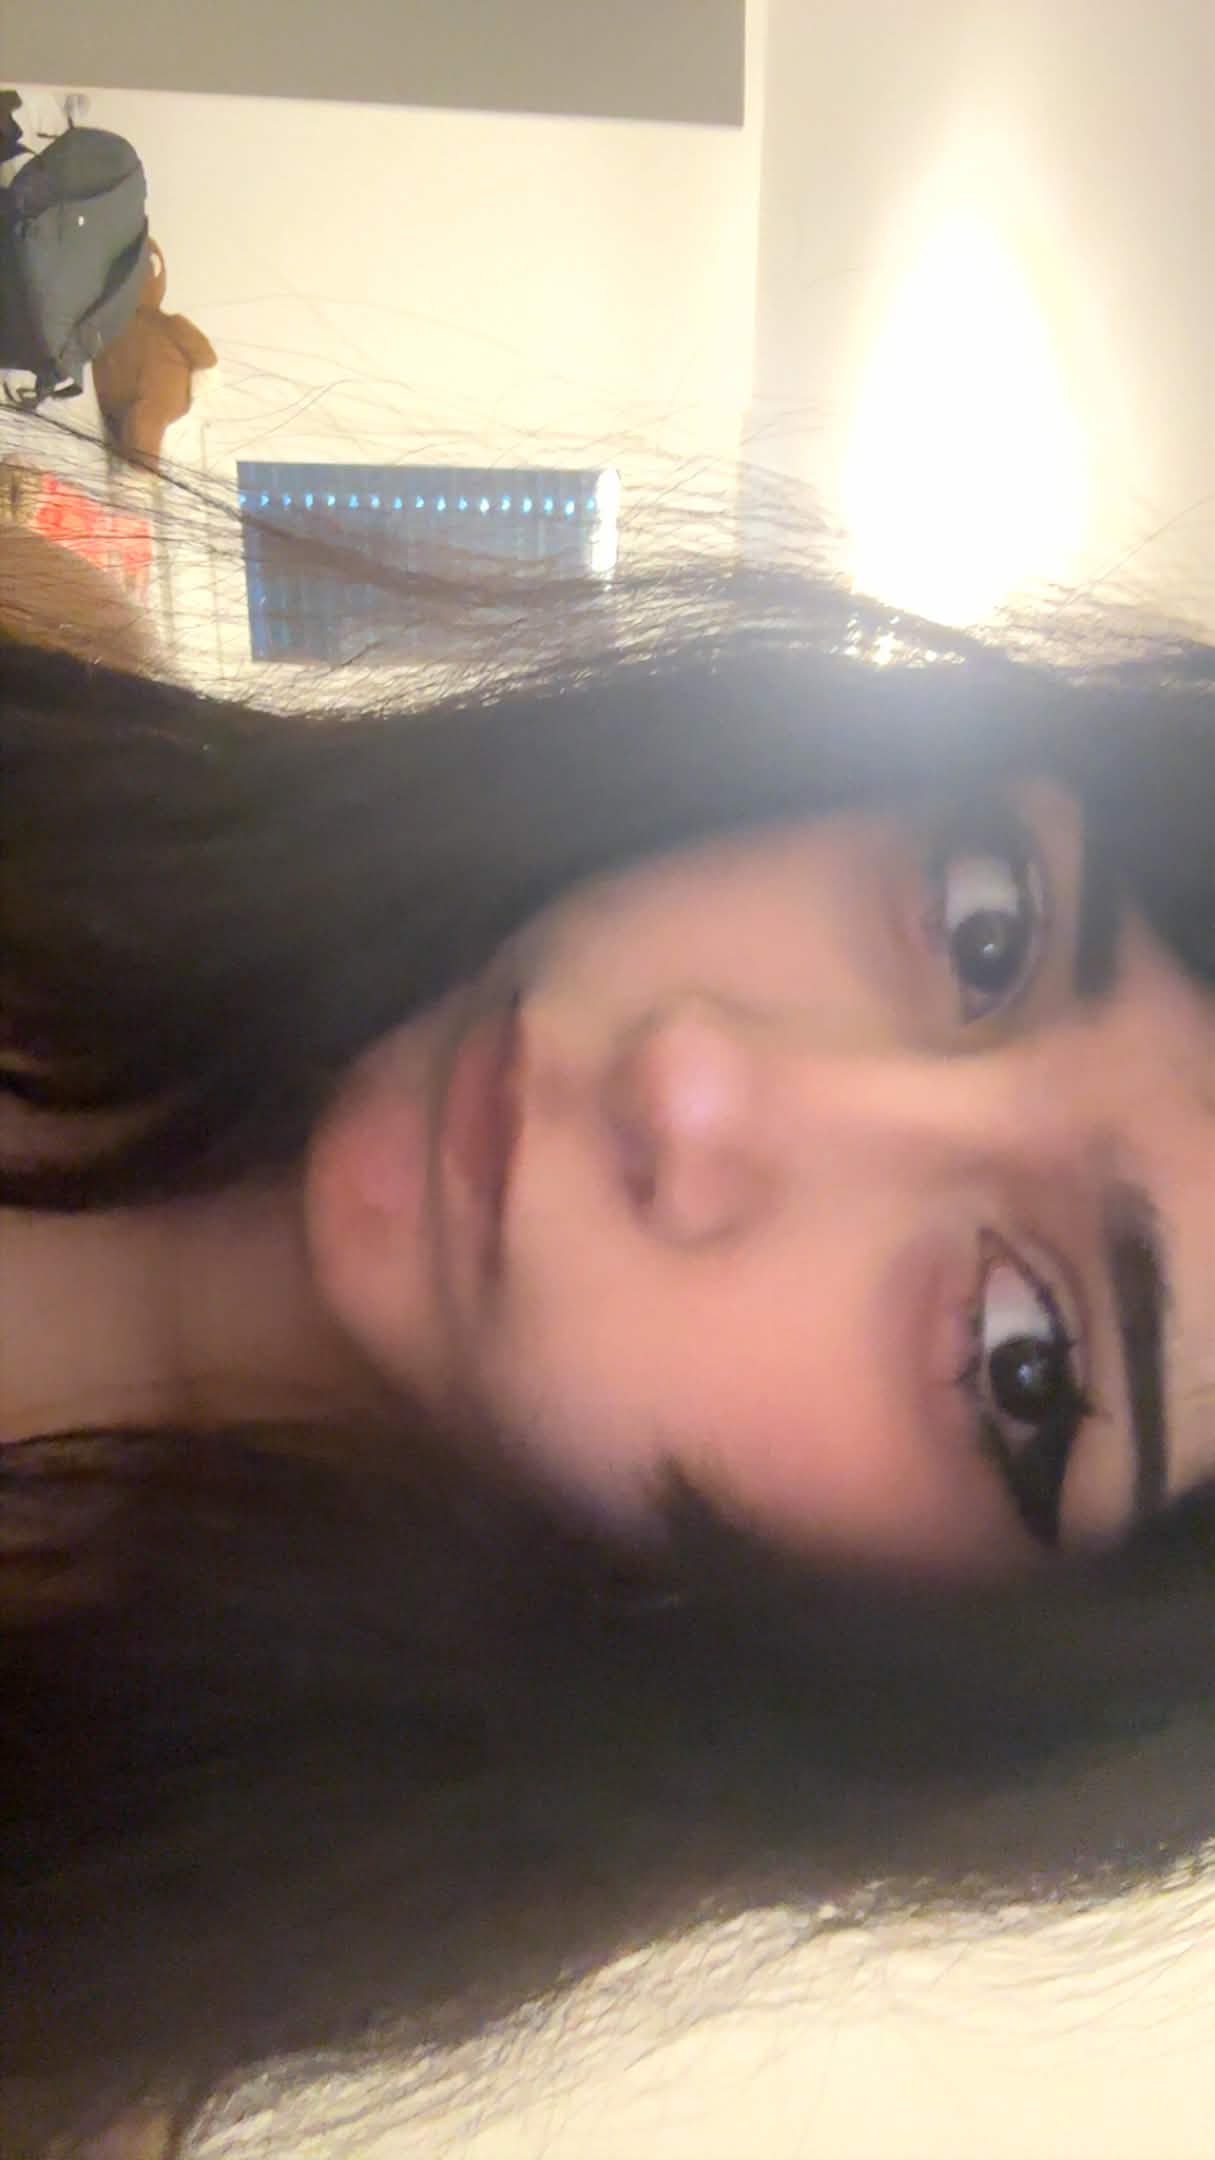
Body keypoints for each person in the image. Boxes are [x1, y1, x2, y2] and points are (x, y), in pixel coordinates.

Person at [2, 492, 1214, 2157]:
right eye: (984, 923)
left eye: (1024, 1357)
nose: (696, 1081)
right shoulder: (35, 651)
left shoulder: (51, 2040)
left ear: (943, 1669)